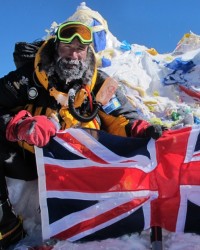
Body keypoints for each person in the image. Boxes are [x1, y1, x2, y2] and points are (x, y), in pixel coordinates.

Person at [0, 21, 163, 249]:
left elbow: (121, 116)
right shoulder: (27, 79)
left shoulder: (100, 84)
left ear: (88, 51)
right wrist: (20, 126)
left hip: (82, 165)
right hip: (31, 159)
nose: (73, 55)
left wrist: (137, 128)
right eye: (67, 47)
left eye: (80, 49)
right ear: (56, 47)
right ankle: (6, 226)